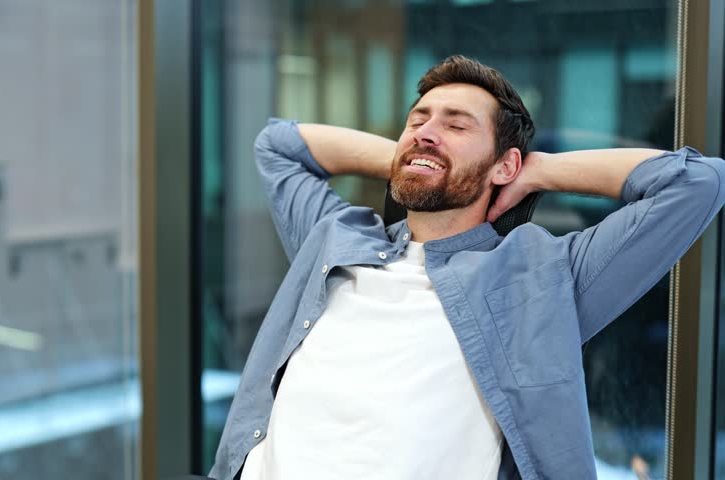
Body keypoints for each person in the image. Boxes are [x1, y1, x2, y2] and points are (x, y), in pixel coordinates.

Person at [208, 55, 725, 480]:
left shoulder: (540, 276)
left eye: (456, 124)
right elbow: (277, 146)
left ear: (506, 166)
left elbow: (697, 184)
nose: (427, 131)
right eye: (418, 119)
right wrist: (415, 155)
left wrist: (537, 169)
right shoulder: (335, 237)